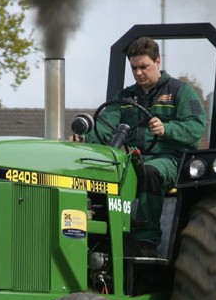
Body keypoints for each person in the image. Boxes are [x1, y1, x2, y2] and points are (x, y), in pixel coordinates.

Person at [86, 36, 206, 254]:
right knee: (102, 170)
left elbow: (196, 127)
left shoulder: (179, 91)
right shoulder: (125, 97)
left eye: (143, 67)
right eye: (134, 68)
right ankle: (104, 236)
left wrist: (167, 129)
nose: (138, 73)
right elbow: (104, 127)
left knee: (149, 172)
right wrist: (84, 138)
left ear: (157, 62)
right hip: (133, 158)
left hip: (171, 160)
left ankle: (146, 241)